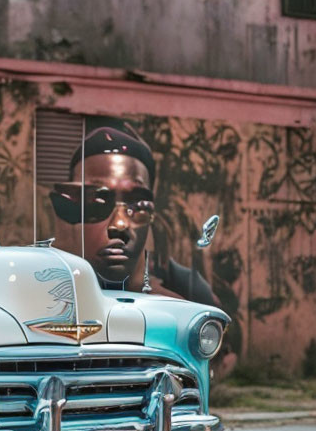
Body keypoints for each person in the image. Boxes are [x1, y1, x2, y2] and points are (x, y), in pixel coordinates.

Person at [48, 125, 216, 306]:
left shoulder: (186, 289)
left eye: (137, 204)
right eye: (96, 200)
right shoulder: (42, 293)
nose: (119, 225)